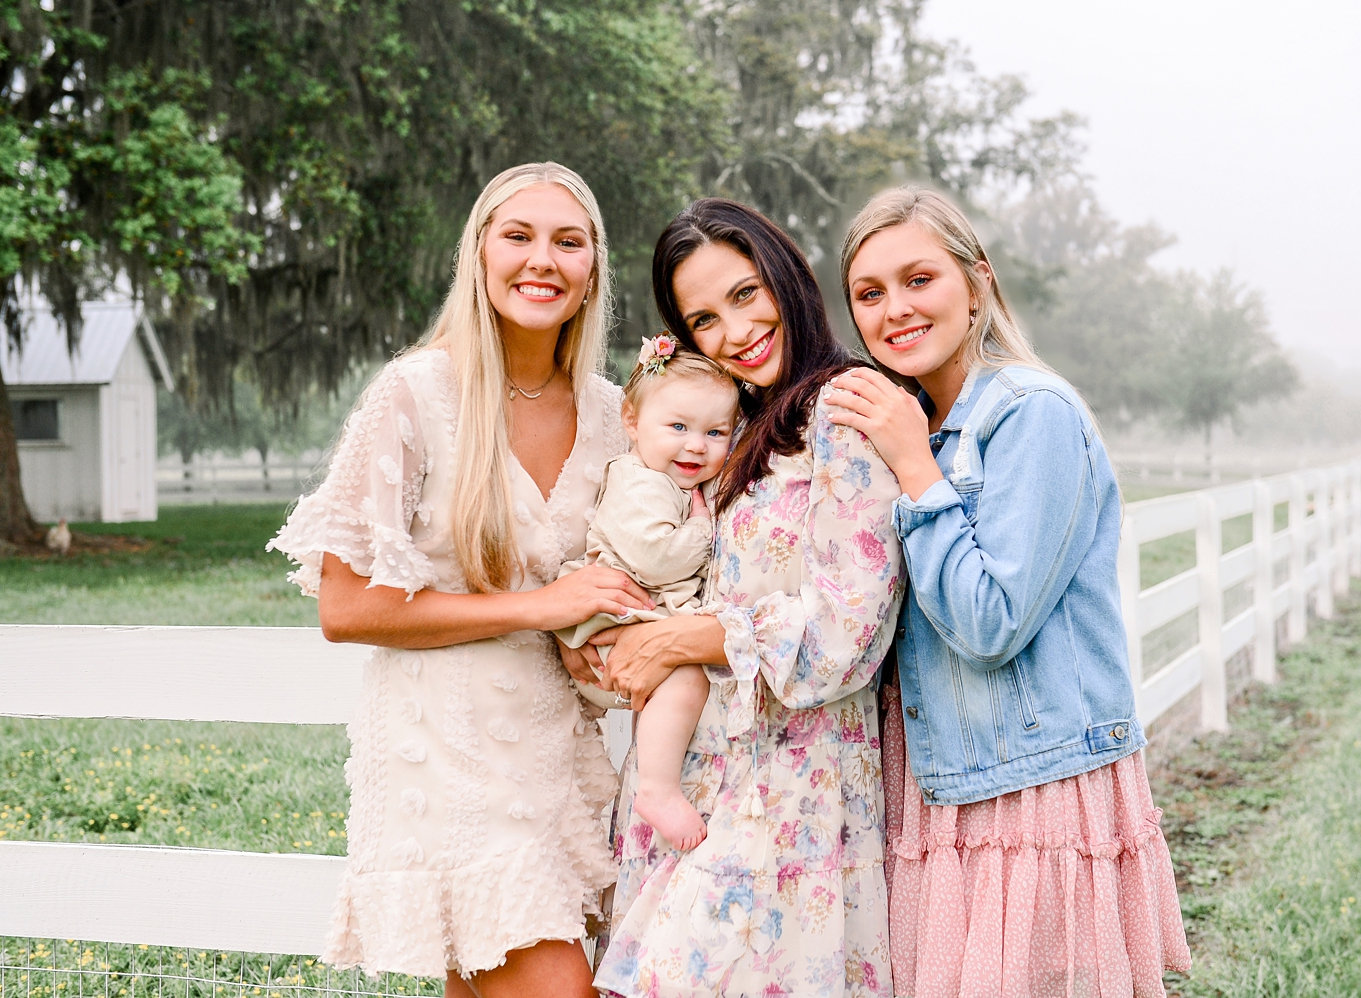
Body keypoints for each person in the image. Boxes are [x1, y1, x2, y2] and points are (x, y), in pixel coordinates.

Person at [267, 162, 655, 998]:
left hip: (555, 752)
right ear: (479, 254)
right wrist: (541, 605)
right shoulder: (414, 394)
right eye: (517, 236)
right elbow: (345, 607)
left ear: (593, 271)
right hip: (443, 752)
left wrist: (597, 638)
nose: (541, 259)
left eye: (568, 241)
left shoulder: (613, 413)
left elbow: (617, 577)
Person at [826, 186, 1191, 997]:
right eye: (870, 293)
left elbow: (992, 621)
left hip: (1033, 787)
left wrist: (917, 471)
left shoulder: (1032, 416)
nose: (896, 310)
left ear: (978, 282)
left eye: (919, 279)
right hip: (937, 784)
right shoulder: (913, 418)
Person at [589, 198, 905, 997]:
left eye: (743, 293)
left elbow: (847, 631)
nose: (733, 332)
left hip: (788, 786)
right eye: (702, 319)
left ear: (785, 275)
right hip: (695, 775)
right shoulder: (732, 429)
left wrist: (686, 638)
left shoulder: (844, 411)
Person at [554, 337, 739, 850]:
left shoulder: (666, 480)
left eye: (715, 432)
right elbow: (656, 557)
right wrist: (703, 532)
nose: (697, 445)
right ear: (632, 421)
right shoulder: (641, 483)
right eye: (678, 427)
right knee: (685, 678)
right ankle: (657, 790)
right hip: (614, 626)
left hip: (637, 618)